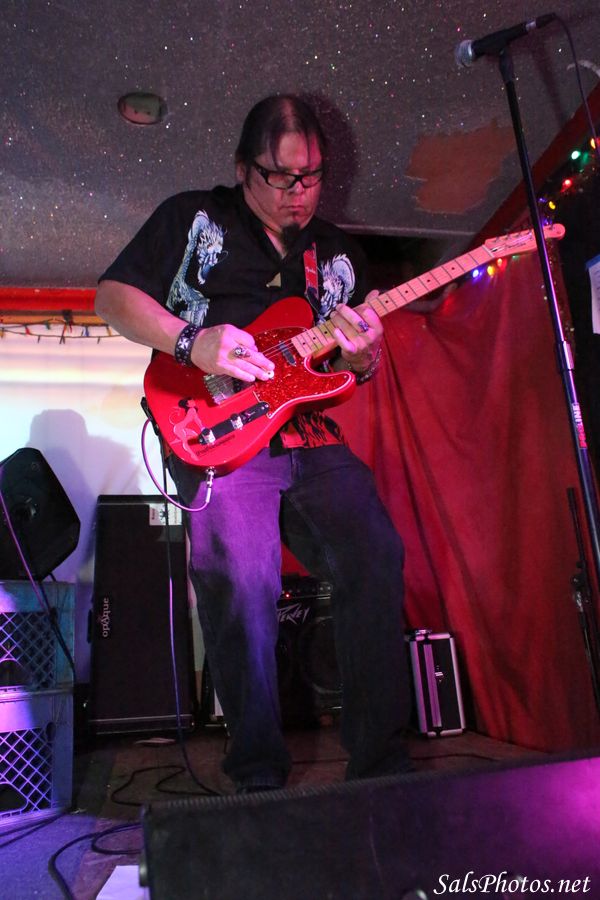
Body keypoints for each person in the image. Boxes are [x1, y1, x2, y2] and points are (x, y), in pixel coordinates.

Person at [95, 94, 412, 793]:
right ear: (243, 168)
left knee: (374, 553)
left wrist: (362, 358)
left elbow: (349, 366)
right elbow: (111, 296)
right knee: (242, 583)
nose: (299, 192)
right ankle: (260, 774)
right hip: (219, 430)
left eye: (312, 176)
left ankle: (381, 767)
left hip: (308, 431)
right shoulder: (192, 219)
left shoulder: (339, 255)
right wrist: (192, 341)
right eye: (281, 176)